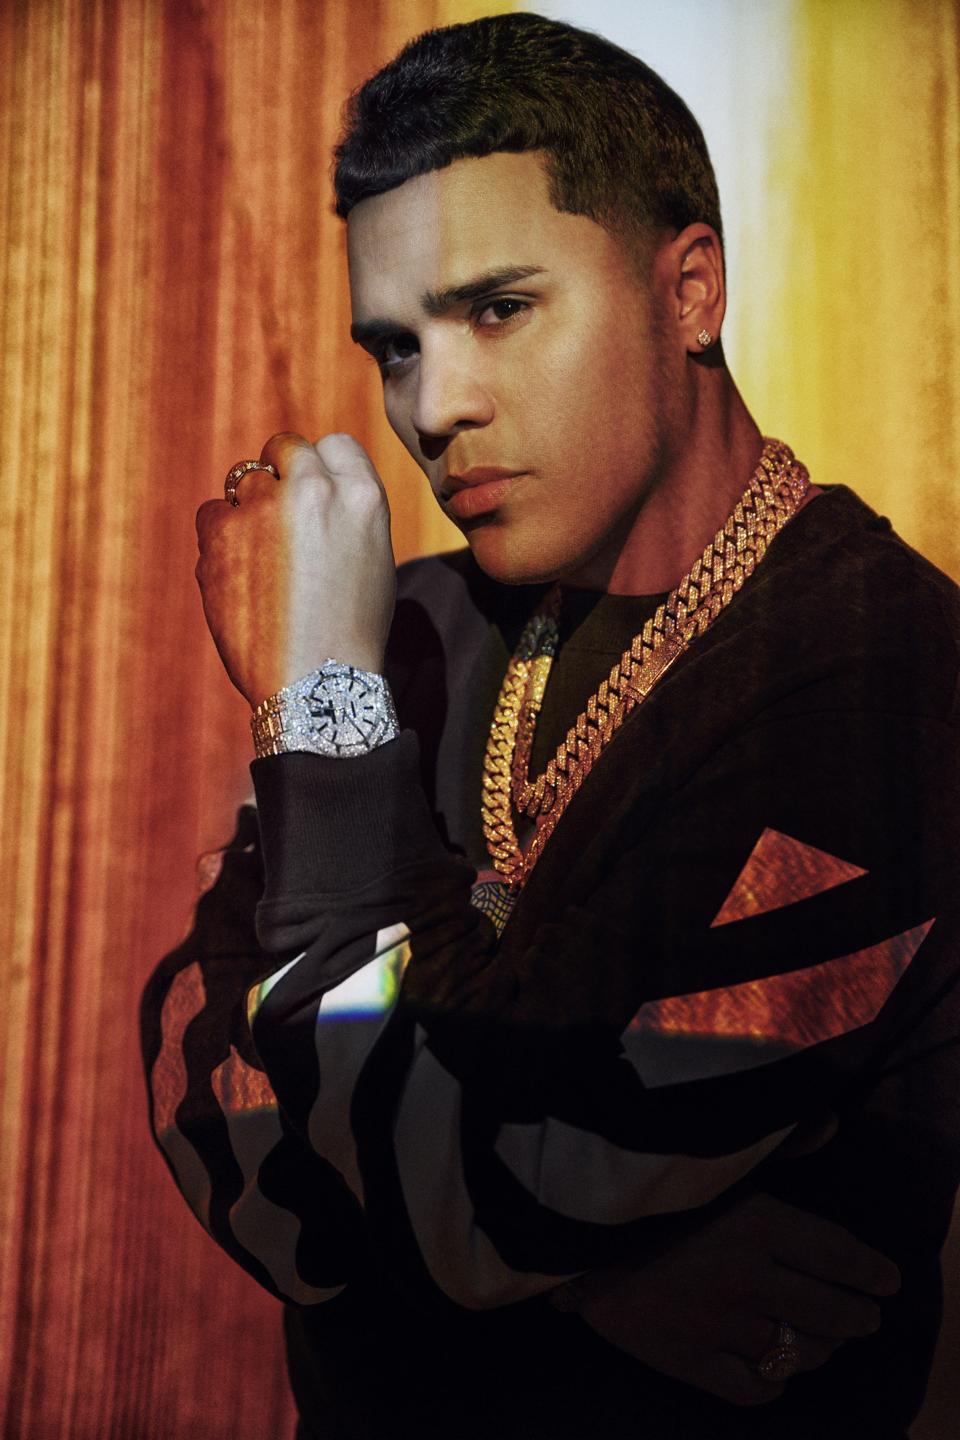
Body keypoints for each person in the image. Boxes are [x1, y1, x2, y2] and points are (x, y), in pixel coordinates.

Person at [141, 13, 960, 1438]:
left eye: (499, 310)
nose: (432, 406)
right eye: (395, 346)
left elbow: (496, 1187)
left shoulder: (890, 688)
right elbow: (189, 1081)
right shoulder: (400, 628)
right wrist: (582, 1274)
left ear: (690, 290)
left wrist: (322, 712)